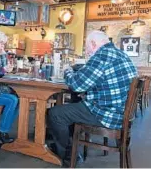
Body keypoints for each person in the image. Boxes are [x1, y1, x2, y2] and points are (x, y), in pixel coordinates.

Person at [47, 30, 137, 164]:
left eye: (87, 48)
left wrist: (67, 70)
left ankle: (68, 156)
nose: (88, 52)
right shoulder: (120, 54)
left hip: (106, 114)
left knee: (55, 114)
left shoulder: (102, 56)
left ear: (94, 44)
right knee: (75, 102)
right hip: (120, 113)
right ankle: (68, 145)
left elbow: (76, 85)